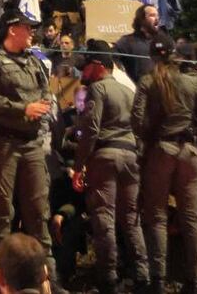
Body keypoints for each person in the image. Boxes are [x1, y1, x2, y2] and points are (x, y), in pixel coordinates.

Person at [0, 9, 61, 289]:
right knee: (1, 214)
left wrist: (43, 104)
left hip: (31, 144)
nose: (32, 32)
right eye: (27, 27)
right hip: (1, 144)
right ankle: (2, 281)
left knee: (38, 211)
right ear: (13, 29)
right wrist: (24, 108)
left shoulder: (34, 62)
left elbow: (46, 90)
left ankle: (47, 280)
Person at [132, 39, 197, 294]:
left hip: (161, 149)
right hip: (189, 151)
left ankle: (158, 280)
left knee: (156, 217)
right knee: (192, 218)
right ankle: (195, 281)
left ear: (153, 56)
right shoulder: (192, 81)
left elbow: (136, 119)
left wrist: (149, 139)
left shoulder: (147, 81)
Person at [72, 40, 146, 293]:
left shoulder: (98, 90)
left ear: (97, 65)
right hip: (132, 156)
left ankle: (108, 277)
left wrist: (79, 165)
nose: (83, 72)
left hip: (106, 156)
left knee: (105, 218)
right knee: (131, 219)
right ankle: (142, 274)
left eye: (86, 67)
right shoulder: (129, 90)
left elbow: (91, 130)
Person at [113, 5, 171, 83]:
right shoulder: (127, 41)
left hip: (163, 89)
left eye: (157, 15)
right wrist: (124, 76)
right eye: (152, 15)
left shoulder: (165, 40)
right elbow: (113, 59)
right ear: (141, 19)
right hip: (139, 90)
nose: (157, 18)